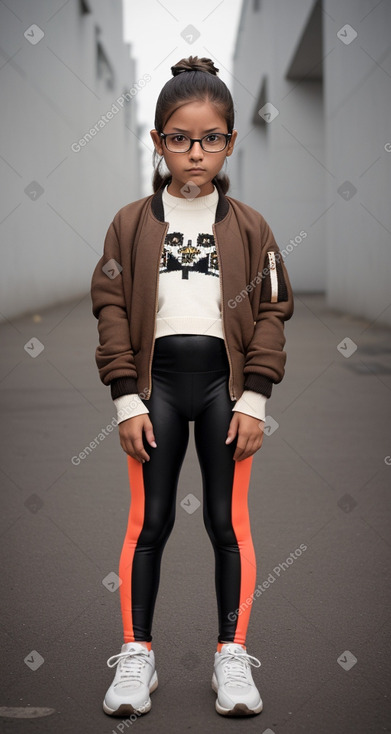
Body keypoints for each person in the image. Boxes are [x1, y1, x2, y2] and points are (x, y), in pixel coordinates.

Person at [90, 55, 294, 718]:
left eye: (210, 137)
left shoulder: (251, 227)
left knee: (225, 522)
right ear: (157, 142)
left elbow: (271, 312)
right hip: (154, 389)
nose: (194, 151)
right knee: (146, 522)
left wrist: (255, 396)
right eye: (179, 137)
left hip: (223, 392)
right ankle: (136, 655)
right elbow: (110, 307)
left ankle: (230, 658)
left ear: (229, 141)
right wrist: (125, 397)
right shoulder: (129, 222)